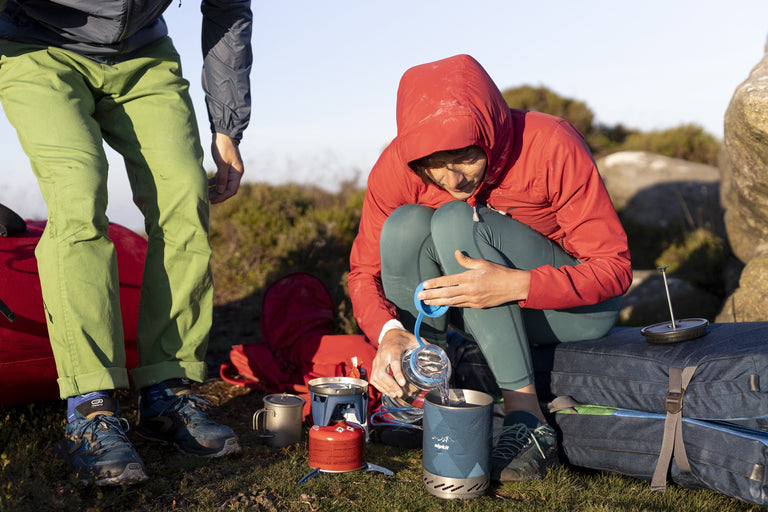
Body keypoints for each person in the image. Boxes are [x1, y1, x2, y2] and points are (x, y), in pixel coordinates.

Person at [0, 0, 252, 485]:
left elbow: (229, 10)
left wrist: (227, 125)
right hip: (37, 46)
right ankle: (90, 408)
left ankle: (167, 392)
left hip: (141, 52)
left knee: (183, 193)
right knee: (78, 192)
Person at [348, 54, 632, 482]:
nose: (453, 178)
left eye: (465, 157)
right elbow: (362, 273)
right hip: (477, 314)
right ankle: (427, 390)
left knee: (455, 216)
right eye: (434, 165)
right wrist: (388, 334)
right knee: (406, 225)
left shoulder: (548, 142)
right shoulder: (396, 168)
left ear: (489, 135)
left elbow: (615, 269)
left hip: (569, 313)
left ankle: (528, 421)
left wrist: (516, 284)